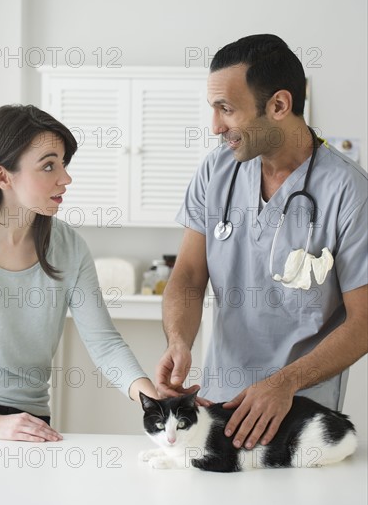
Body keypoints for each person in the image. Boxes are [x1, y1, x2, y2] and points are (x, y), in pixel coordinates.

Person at [156, 34, 368, 451]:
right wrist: (178, 340)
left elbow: (363, 322)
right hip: (216, 406)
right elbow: (188, 276)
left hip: (301, 416)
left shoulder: (348, 191)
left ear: (279, 105)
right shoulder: (216, 172)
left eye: (227, 110)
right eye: (213, 109)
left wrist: (283, 383)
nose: (216, 127)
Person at [0, 104, 157, 442]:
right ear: (3, 176)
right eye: (48, 166)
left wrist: (153, 400)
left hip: (29, 421)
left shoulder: (68, 246)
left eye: (63, 163)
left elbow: (104, 343)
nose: (65, 178)